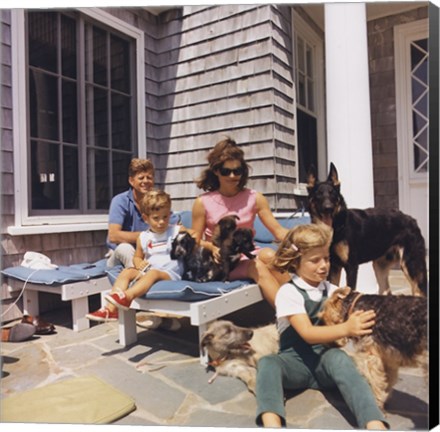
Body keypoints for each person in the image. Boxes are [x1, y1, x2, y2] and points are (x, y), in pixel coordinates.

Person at [255, 223, 388, 430]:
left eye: (326, 258)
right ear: (296, 262)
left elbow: (356, 307)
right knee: (268, 364)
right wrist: (347, 329)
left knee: (341, 359)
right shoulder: (288, 293)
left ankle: (373, 421)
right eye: (315, 260)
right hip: (294, 364)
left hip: (325, 362)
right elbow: (307, 333)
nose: (324, 265)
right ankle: (272, 422)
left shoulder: (333, 289)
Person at [192, 137, 290, 307]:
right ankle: (292, 317)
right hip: (222, 262)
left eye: (237, 171)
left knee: (269, 255)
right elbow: (194, 240)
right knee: (256, 266)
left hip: (248, 253)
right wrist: (211, 247)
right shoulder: (202, 202)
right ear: (216, 171)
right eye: (226, 171)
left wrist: (306, 241)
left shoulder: (255, 198)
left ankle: (302, 306)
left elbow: (278, 231)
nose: (233, 176)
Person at [87, 190, 187, 322]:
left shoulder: (176, 231)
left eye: (165, 217)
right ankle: (110, 310)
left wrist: (210, 247)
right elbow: (137, 256)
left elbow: (196, 237)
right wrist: (139, 263)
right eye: (156, 218)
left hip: (170, 273)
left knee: (153, 274)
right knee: (127, 272)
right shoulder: (143, 237)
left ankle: (126, 297)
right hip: (150, 270)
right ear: (146, 218)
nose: (161, 222)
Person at [106, 158, 155, 268]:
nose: (146, 181)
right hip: (119, 254)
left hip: (147, 253)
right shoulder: (120, 201)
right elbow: (113, 236)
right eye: (141, 178)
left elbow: (174, 224)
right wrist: (148, 236)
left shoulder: (157, 201)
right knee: (125, 248)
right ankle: (139, 280)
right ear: (131, 181)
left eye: (149, 177)